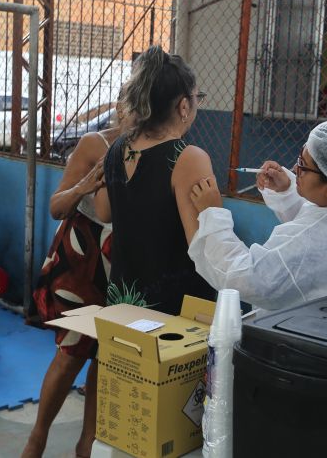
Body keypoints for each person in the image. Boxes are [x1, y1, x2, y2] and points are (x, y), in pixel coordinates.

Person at [188, 119, 327, 311]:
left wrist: (212, 212)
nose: (294, 170)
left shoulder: (320, 238)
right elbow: (317, 216)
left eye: (303, 165)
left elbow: (242, 278)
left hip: (320, 345)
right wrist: (287, 190)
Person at [22, 106, 125, 458]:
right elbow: (57, 206)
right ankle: (37, 438)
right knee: (72, 352)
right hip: (83, 259)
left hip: (124, 263)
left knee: (106, 355)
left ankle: (88, 443)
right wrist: (86, 185)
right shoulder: (94, 144)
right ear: (123, 108)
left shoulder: (161, 148)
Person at [93, 45, 218, 315]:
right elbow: (203, 246)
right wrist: (214, 209)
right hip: (173, 310)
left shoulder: (117, 148)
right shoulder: (188, 158)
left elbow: (103, 212)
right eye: (198, 98)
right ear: (184, 105)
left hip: (124, 300)